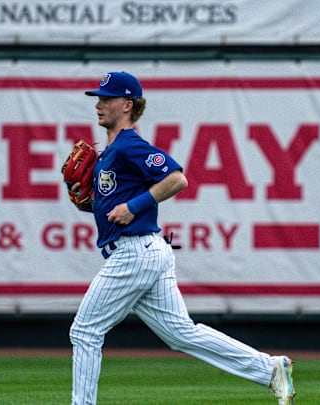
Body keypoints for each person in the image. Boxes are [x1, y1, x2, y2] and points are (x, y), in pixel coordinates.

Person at [67, 71, 296, 405]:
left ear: (127, 105)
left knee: (84, 331)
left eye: (107, 98)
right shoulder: (111, 152)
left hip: (136, 252)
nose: (99, 105)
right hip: (147, 251)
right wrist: (90, 204)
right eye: (98, 98)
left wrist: (134, 205)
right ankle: (269, 369)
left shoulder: (131, 145)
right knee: (180, 333)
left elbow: (176, 179)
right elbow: (116, 207)